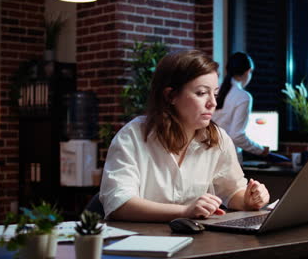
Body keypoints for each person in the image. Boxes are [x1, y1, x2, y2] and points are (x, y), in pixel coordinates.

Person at [99, 50, 270, 222]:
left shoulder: (218, 138)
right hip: (141, 243)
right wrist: (184, 212)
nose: (213, 103)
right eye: (202, 93)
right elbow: (119, 204)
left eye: (215, 94)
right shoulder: (133, 136)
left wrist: (248, 200)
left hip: (198, 244)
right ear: (171, 95)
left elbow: (232, 191)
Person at [213, 52, 270, 163]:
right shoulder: (243, 97)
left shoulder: (215, 91)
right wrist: (261, 150)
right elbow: (237, 136)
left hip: (209, 158)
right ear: (247, 72)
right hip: (228, 160)